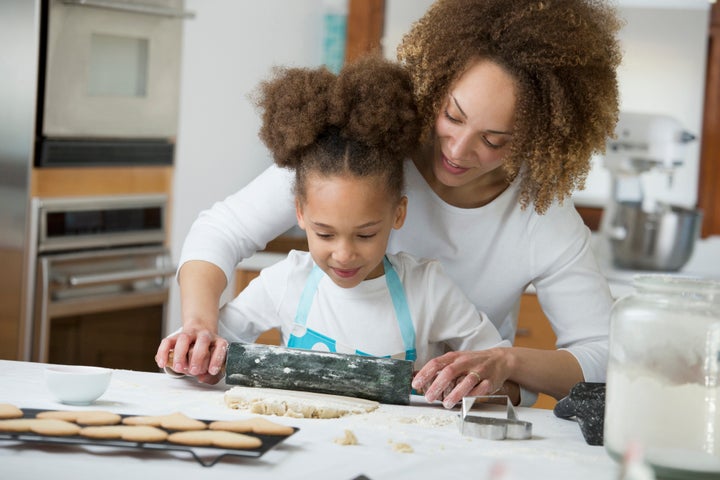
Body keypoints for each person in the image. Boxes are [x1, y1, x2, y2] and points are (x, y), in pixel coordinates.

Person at [157, 0, 622, 408]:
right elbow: (221, 230)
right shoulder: (367, 148)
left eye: (495, 140)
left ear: (538, 138)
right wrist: (199, 324)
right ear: (437, 85)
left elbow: (603, 356)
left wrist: (506, 362)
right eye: (452, 116)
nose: (458, 151)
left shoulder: (541, 215)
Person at [159, 55, 512, 396]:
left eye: (366, 234)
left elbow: (503, 377)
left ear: (398, 214)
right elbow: (199, 350)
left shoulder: (429, 291)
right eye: (325, 233)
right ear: (299, 213)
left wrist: (471, 385)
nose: (344, 254)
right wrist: (194, 353)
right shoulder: (285, 282)